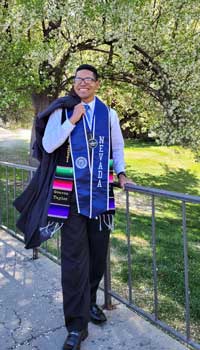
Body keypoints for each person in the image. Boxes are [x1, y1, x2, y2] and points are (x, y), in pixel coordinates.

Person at [15, 63, 127, 350]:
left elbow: (117, 146)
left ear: (98, 84)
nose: (84, 84)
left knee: (98, 256)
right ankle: (76, 326)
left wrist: (122, 172)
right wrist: (72, 120)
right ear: (74, 84)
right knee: (75, 261)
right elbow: (50, 145)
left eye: (89, 79)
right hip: (71, 199)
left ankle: (89, 301)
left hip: (101, 195)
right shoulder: (62, 110)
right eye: (79, 79)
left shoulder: (108, 114)